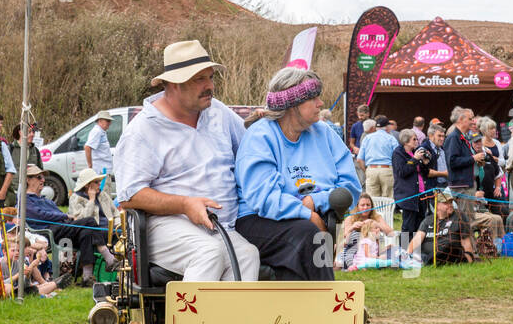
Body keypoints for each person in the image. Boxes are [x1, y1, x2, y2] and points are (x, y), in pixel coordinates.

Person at [114, 40, 261, 282]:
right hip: (163, 224)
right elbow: (130, 195)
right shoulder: (143, 130)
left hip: (219, 224)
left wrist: (267, 126)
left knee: (247, 255)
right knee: (208, 253)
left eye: (211, 77)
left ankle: (229, 321)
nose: (210, 86)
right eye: (199, 79)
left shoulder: (219, 113)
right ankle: (189, 321)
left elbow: (249, 151)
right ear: (173, 84)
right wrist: (184, 204)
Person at [237, 67, 360, 280]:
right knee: (308, 238)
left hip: (309, 222)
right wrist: (307, 214)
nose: (320, 103)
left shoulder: (324, 133)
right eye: (314, 98)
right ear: (293, 104)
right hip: (257, 220)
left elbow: (350, 186)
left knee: (308, 240)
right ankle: (326, 306)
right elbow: (264, 199)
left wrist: (314, 201)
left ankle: (308, 308)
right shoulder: (260, 137)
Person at [65, 168, 119, 285]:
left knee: (89, 233)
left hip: (108, 229)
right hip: (90, 232)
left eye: (99, 181)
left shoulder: (103, 195)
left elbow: (115, 213)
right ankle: (107, 260)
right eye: (96, 182)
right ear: (87, 185)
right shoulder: (76, 198)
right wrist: (91, 200)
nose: (99, 183)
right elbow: (80, 221)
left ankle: (88, 276)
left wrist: (117, 225)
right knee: (88, 231)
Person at [405, 188, 474, 265]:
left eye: (451, 202)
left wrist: (469, 258)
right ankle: (420, 260)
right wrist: (407, 255)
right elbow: (416, 240)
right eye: (446, 203)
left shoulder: (459, 217)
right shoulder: (428, 220)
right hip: (427, 254)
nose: (450, 205)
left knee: (447, 247)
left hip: (450, 253)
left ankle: (423, 261)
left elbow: (466, 241)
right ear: (437, 205)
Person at [392, 128, 427, 237]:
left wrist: (424, 162)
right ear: (406, 141)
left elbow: (422, 171)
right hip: (408, 195)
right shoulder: (398, 153)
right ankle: (404, 251)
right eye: (414, 139)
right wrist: (415, 159)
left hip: (420, 193)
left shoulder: (414, 152)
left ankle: (417, 252)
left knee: (419, 225)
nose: (417, 141)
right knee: (408, 227)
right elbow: (402, 172)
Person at [358, 113, 397, 199]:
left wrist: (366, 171)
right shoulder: (391, 139)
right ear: (387, 127)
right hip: (387, 169)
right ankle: (386, 213)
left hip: (371, 169)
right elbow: (397, 157)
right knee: (388, 200)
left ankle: (374, 213)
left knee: (372, 200)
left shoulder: (367, 138)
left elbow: (359, 159)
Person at [85, 112, 114, 177]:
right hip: (101, 170)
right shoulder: (97, 131)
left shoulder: (101, 131)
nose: (109, 123)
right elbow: (87, 147)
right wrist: (90, 166)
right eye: (107, 120)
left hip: (104, 170)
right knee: (104, 187)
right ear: (100, 120)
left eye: (110, 121)